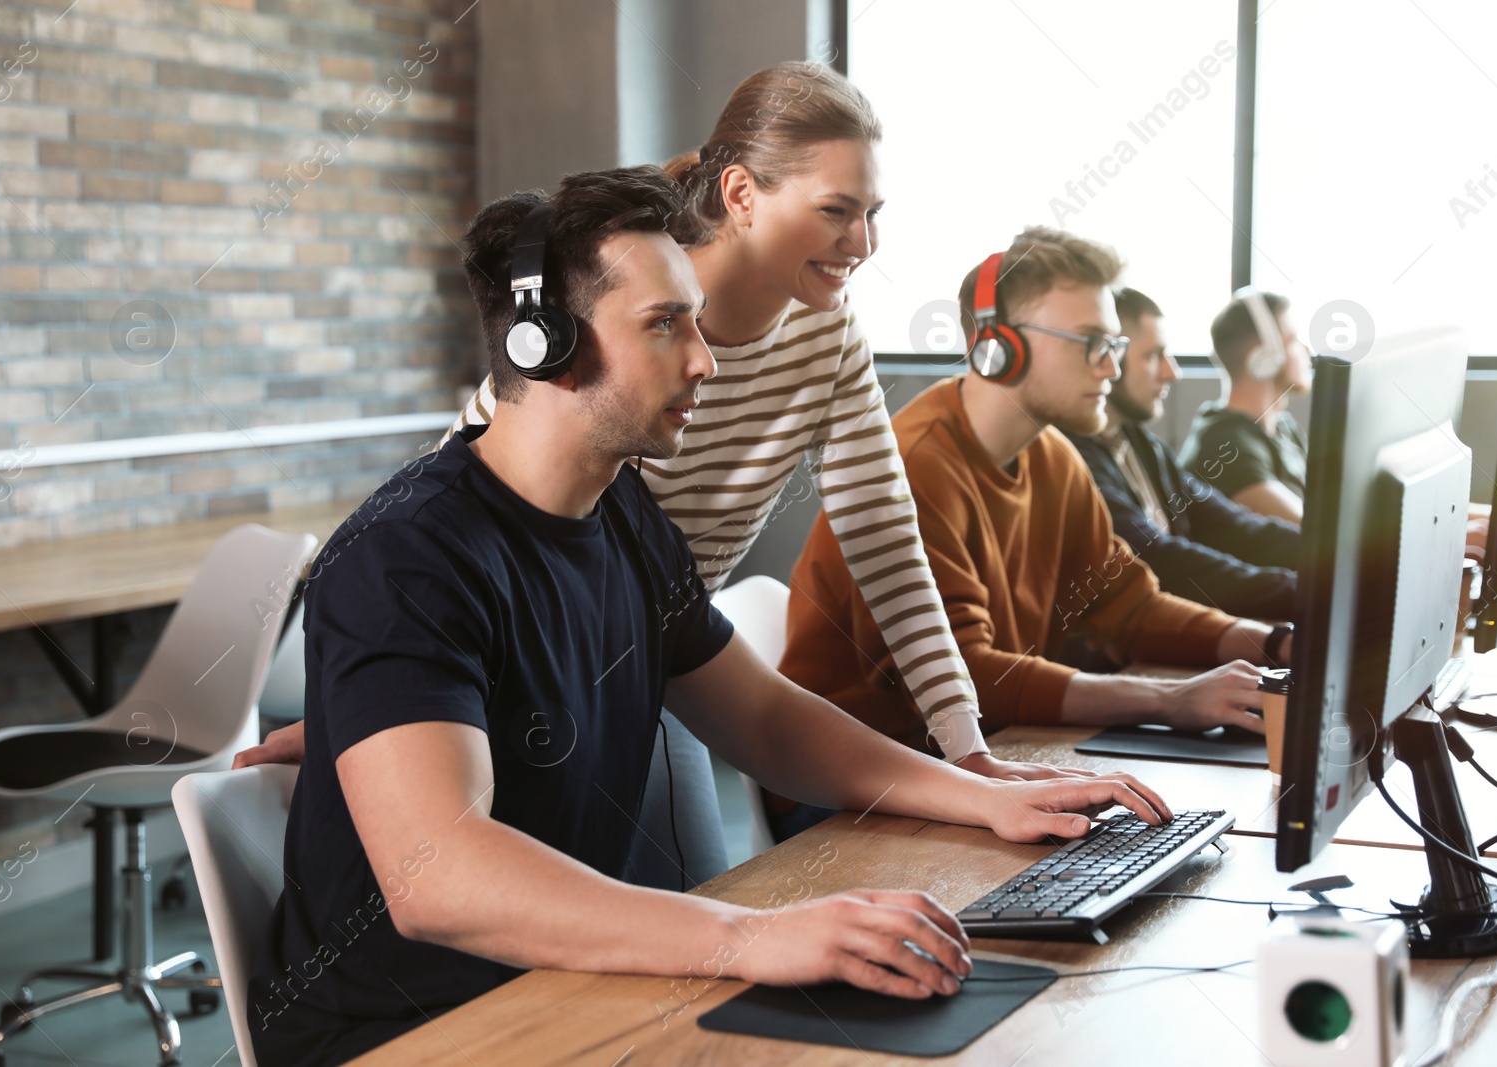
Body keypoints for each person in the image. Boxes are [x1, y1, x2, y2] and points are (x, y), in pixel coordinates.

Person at [246, 168, 1172, 1067]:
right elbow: (439, 880)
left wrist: (987, 793)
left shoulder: (619, 516)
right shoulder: (407, 556)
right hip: (405, 1031)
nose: (705, 358)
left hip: (559, 981)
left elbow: (763, 716)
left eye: (695, 319)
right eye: (664, 325)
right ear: (546, 344)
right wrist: (750, 934)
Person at [238, 63, 1092, 869]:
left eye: (874, 212)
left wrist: (966, 751)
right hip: (532, 653)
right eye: (837, 209)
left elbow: (881, 543)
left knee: (675, 904)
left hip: (665, 645)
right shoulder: (602, 315)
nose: (863, 242)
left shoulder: (822, 338)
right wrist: (379, 695)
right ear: (741, 194)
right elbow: (460, 512)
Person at [779, 228, 1294, 750]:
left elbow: (1128, 607)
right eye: (1093, 343)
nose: (1112, 368)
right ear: (999, 347)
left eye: (1114, 345)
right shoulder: (916, 468)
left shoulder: (1052, 458)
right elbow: (964, 677)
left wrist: (1275, 642)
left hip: (985, 749)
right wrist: (1168, 700)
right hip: (854, 779)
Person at [1070, 287, 1302, 620]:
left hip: (1183, 632)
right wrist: (1304, 593)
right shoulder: (1077, 460)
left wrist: (1340, 565)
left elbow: (1237, 527)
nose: (1172, 372)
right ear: (1108, 357)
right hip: (1142, 651)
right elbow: (1163, 560)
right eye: (1153, 356)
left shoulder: (1142, 446)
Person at [1177, 291, 1312, 523]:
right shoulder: (1226, 446)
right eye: (1293, 340)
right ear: (1265, 357)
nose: (1307, 350)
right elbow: (1311, 531)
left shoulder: (1283, 426)